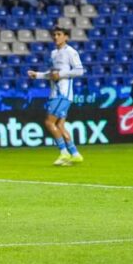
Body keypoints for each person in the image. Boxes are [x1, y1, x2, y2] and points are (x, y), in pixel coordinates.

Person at [26, 27, 85, 166]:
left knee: (49, 122)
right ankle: (75, 154)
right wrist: (38, 75)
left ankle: (64, 153)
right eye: (54, 35)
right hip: (54, 94)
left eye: (59, 34)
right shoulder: (53, 54)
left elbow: (79, 71)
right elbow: (52, 74)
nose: (56, 37)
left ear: (66, 37)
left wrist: (61, 75)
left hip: (63, 94)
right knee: (59, 125)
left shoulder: (71, 52)